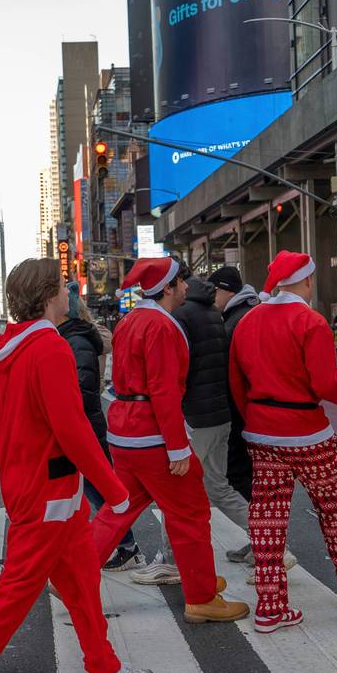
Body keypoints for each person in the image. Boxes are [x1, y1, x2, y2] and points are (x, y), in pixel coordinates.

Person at [0, 258, 149, 673]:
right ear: (47, 295)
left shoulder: (9, 349)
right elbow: (73, 430)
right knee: (14, 594)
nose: (68, 293)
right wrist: (113, 488)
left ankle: (103, 663)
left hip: (41, 491)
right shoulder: (49, 347)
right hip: (50, 493)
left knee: (82, 580)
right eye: (62, 286)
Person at [229, 250, 337, 634]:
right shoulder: (310, 321)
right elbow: (327, 384)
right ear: (307, 281)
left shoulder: (248, 321)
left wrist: (254, 418)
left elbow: (237, 382)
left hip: (261, 430)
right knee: (335, 512)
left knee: (267, 519)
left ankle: (270, 606)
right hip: (307, 433)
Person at [90, 256, 249, 625]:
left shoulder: (131, 320)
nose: (186, 286)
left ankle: (71, 578)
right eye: (181, 282)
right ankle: (202, 596)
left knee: (117, 510)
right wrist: (178, 447)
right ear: (168, 288)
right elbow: (163, 390)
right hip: (153, 437)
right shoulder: (161, 325)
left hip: (126, 434)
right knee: (190, 514)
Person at [173, 272, 291, 581]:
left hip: (202, 417)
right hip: (224, 414)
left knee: (180, 490)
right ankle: (272, 545)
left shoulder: (185, 316)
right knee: (219, 486)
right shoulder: (215, 314)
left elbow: (183, 370)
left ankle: (172, 560)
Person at [59, 282, 142, 572]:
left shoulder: (78, 339)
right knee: (88, 487)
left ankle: (127, 545)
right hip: (88, 422)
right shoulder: (82, 335)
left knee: (98, 488)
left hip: (85, 424)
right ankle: (117, 544)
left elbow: (81, 387)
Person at [208, 266, 259, 508]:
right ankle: (261, 537)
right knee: (248, 474)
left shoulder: (235, 321)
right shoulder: (247, 313)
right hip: (252, 408)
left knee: (238, 474)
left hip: (241, 410)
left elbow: (233, 372)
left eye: (214, 291)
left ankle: (260, 536)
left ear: (226, 291)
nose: (211, 297)